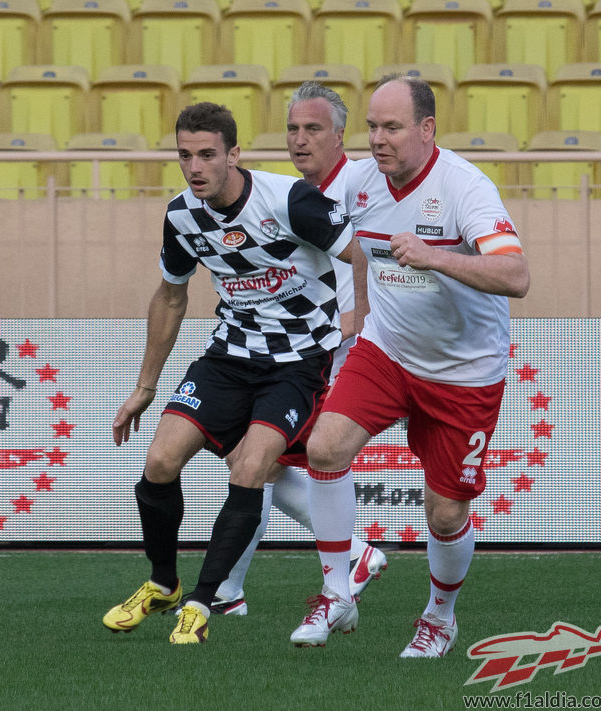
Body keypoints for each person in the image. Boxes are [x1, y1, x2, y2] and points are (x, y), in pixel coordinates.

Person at [292, 74, 530, 656]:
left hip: (464, 371)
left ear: (427, 129)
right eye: (371, 126)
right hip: (387, 351)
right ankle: (336, 592)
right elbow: (325, 222)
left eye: (392, 127)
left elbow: (517, 276)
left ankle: (440, 617)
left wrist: (436, 257)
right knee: (323, 448)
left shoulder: (464, 187)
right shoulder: (358, 180)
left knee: (445, 513)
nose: (378, 139)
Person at [102, 102, 356, 644]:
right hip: (229, 356)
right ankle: (164, 584)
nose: (195, 167)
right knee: (159, 461)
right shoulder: (180, 216)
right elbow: (171, 297)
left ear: (234, 154)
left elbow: (366, 260)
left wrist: (354, 326)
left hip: (296, 364)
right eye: (185, 155)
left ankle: (203, 601)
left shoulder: (289, 200)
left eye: (207, 155)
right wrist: (143, 388)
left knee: (251, 469)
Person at [207, 82, 387, 617]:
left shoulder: (364, 187)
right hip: (291, 349)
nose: (300, 139)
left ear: (339, 134)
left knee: (260, 460)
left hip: (332, 352)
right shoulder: (285, 192)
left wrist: (354, 323)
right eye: (292, 128)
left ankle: (235, 589)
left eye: (313, 129)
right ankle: (231, 589)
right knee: (255, 461)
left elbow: (377, 263)